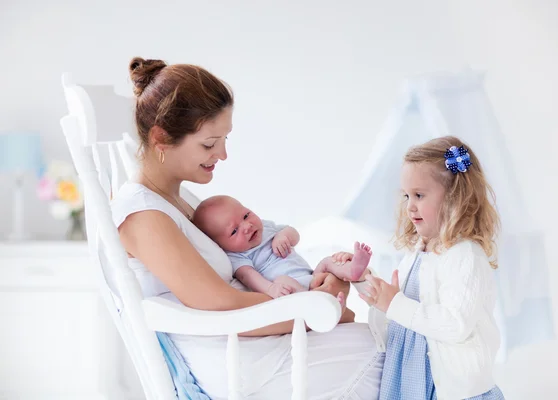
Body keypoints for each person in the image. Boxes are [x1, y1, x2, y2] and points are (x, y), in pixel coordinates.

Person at [111, 57, 385, 400]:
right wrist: (316, 308)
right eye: (210, 144)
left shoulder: (179, 202)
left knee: (402, 339)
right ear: (161, 138)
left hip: (253, 340)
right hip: (238, 362)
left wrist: (315, 287)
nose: (222, 154)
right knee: (403, 354)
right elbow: (221, 305)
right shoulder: (142, 215)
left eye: (224, 139)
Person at [360, 137, 505, 399]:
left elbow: (455, 324)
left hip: (448, 388)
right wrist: (366, 281)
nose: (410, 206)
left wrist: (395, 303)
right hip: (409, 377)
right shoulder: (418, 250)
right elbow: (400, 309)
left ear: (454, 198)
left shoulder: (464, 254)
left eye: (419, 195)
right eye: (406, 196)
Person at [193, 194, 372, 298]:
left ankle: (352, 271)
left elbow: (294, 233)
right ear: (220, 245)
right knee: (282, 280)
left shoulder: (267, 227)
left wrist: (283, 235)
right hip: (292, 289)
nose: (247, 227)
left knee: (329, 261)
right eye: (234, 231)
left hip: (312, 275)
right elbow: (250, 277)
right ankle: (316, 304)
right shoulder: (236, 257)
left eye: (246, 215)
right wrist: (271, 289)